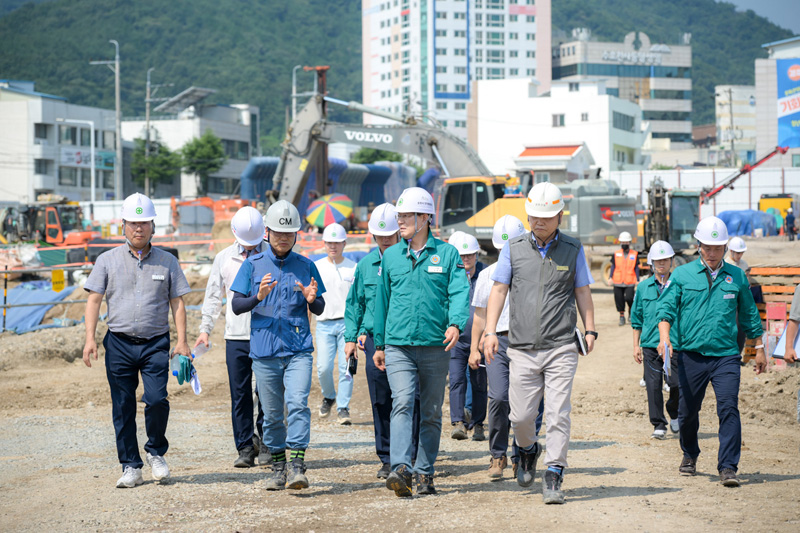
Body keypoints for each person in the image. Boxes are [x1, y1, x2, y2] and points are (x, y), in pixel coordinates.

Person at [483, 182, 596, 505]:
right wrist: (490, 331)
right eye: (534, 216)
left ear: (560, 216)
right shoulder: (513, 247)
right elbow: (499, 290)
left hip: (561, 344)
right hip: (521, 346)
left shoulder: (573, 249)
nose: (539, 222)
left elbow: (583, 291)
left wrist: (590, 330)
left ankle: (554, 473)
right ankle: (528, 449)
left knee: (558, 412)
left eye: (546, 217)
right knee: (520, 417)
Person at [82, 193, 192, 488]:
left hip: (156, 343)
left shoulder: (168, 261)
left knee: (156, 399)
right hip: (118, 342)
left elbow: (178, 303)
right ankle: (130, 465)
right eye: (133, 223)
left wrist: (182, 342)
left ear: (153, 226)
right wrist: (89, 338)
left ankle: (156, 452)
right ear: (123, 225)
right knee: (123, 404)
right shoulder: (107, 261)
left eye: (144, 223)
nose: (139, 229)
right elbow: (94, 301)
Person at [373, 187, 470, 497]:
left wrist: (456, 323)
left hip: (434, 346)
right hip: (398, 345)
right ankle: (401, 467)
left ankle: (425, 473)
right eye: (399, 215)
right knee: (401, 402)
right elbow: (382, 302)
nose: (399, 221)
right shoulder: (391, 257)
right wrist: (379, 344)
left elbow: (458, 292)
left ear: (425, 217)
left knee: (429, 411)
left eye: (405, 216)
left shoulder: (448, 254)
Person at [657, 216, 766, 487]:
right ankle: (689, 454)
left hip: (726, 356)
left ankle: (728, 466)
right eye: (708, 247)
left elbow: (750, 314)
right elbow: (666, 308)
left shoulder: (737, 276)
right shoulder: (682, 275)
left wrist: (760, 348)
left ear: (726, 247)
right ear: (699, 246)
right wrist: (664, 337)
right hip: (690, 355)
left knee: (728, 407)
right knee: (688, 410)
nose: (714, 253)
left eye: (719, 247)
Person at [230, 200, 327, 491]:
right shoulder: (252, 265)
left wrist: (312, 300)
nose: (283, 238)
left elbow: (320, 306)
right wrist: (257, 297)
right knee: (272, 414)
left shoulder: (306, 265)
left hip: (298, 349)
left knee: (297, 404)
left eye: (289, 234)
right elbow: (236, 306)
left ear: (296, 235)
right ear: (267, 233)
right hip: (265, 352)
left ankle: (298, 466)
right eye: (278, 233)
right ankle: (278, 466)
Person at [344, 203, 420, 479]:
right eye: (381, 237)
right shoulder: (365, 266)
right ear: (373, 236)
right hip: (375, 340)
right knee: (381, 398)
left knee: (410, 396)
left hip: (407, 338)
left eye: (390, 237)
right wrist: (351, 338)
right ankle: (387, 457)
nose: (386, 241)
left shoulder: (412, 258)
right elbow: (354, 304)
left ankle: (410, 454)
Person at [469, 214, 542, 481]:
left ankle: (521, 455)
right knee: (498, 398)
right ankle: (497, 454)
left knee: (526, 402)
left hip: (527, 343)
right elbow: (479, 314)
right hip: (496, 342)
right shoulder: (487, 275)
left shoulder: (532, 270)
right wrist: (474, 349)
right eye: (502, 249)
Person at [195, 206, 266, 468]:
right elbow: (213, 296)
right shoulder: (223, 258)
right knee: (240, 393)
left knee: (267, 391)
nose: (250, 249)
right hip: (235, 335)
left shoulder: (271, 254)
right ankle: (246, 446)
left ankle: (268, 442)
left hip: (266, 333)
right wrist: (205, 329)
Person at [630, 241, 680, 440]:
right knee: (653, 386)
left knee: (676, 383)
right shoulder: (643, 288)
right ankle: (658, 423)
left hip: (674, 344)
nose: (662, 264)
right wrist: (636, 345)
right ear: (651, 263)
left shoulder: (679, 285)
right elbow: (636, 318)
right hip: (650, 344)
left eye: (665, 260)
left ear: (671, 261)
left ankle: (674, 411)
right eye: (658, 260)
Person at [314, 223, 358, 425]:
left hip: (346, 325)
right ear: (324, 244)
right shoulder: (317, 267)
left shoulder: (353, 267)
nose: (333, 246)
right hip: (323, 323)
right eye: (330, 243)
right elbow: (311, 299)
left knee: (346, 367)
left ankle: (343, 407)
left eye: (337, 243)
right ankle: (329, 396)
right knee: (323, 367)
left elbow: (358, 300)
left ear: (344, 244)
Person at [446, 231, 487, 442]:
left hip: (479, 341)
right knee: (456, 380)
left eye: (470, 255)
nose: (466, 259)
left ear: (476, 255)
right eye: (462, 256)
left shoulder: (486, 275)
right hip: (456, 340)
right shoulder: (450, 275)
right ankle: (458, 422)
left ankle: (478, 424)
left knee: (479, 383)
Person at [726, 236, 752, 356]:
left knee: (741, 328)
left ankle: (737, 354)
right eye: (738, 253)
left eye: (741, 253)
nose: (740, 256)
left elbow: (746, 281)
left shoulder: (744, 264)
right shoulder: (725, 263)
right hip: (729, 301)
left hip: (741, 301)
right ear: (731, 251)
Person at [608, 231, 639, 326]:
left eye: (626, 243)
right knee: (619, 299)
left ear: (629, 243)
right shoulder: (616, 254)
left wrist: (637, 279)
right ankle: (622, 316)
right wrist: (610, 277)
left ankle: (630, 310)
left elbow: (636, 267)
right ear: (620, 242)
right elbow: (613, 266)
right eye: (623, 242)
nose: (624, 244)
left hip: (630, 280)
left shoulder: (634, 254)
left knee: (630, 298)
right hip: (617, 280)